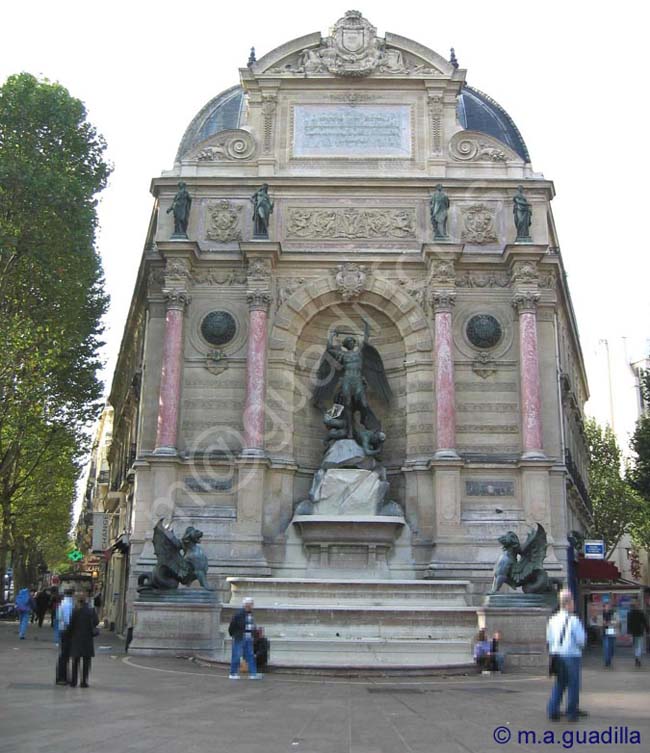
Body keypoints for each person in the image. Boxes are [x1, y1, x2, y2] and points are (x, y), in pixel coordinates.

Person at [547, 589, 586, 722]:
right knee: (573, 685)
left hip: (557, 655)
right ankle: (571, 713)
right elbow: (581, 639)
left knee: (560, 683)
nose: (574, 604)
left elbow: (549, 639)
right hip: (571, 655)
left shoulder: (552, 619)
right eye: (573, 601)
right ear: (568, 603)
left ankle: (552, 710)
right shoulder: (574, 620)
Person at [68, 594, 99, 688]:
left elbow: (71, 625)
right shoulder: (91, 610)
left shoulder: (75, 611)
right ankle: (84, 682)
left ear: (78, 601)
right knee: (86, 661)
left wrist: (70, 634)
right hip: (87, 639)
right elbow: (96, 622)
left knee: (75, 661)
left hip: (76, 638)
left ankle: (73, 681)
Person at [228, 597, 262, 680]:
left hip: (248, 637)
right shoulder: (239, 614)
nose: (252, 606)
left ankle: (253, 673)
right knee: (237, 655)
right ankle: (233, 673)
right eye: (250, 604)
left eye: (252, 604)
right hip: (240, 637)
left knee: (250, 655)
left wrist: (255, 633)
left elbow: (251, 626)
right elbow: (232, 626)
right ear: (246, 605)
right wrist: (234, 635)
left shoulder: (250, 614)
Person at [55, 589, 76, 685]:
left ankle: (62, 676)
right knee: (65, 655)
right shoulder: (68, 605)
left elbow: (59, 617)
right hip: (67, 631)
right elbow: (68, 620)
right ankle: (62, 677)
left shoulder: (62, 603)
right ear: (72, 594)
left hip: (62, 630)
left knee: (64, 655)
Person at [626, 601, 649, 668]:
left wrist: (628, 632)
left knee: (635, 646)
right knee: (639, 646)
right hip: (639, 632)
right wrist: (647, 630)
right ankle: (638, 658)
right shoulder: (641, 613)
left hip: (633, 632)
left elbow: (628, 623)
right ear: (637, 606)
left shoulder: (629, 613)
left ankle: (636, 658)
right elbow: (645, 622)